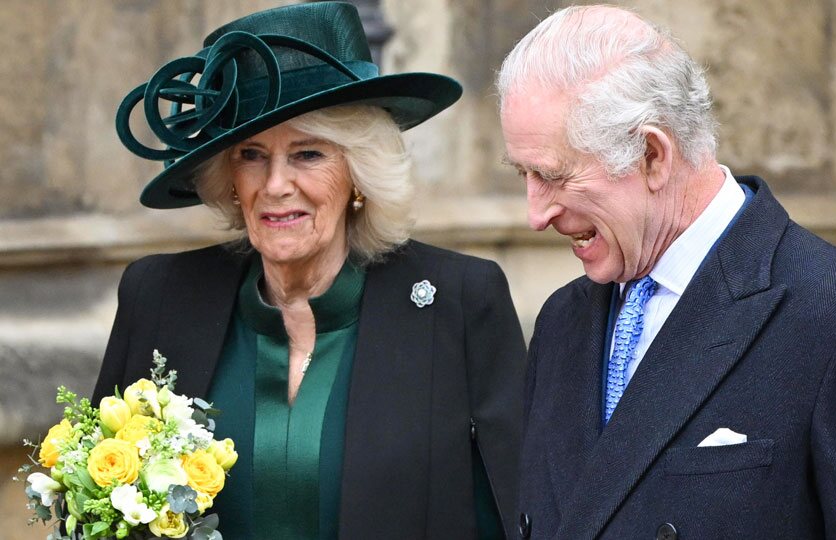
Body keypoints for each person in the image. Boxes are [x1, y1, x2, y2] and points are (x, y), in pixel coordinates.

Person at [497, 5, 836, 539]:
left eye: (553, 176)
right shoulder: (562, 320)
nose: (535, 214)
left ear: (652, 155)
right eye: (523, 174)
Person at [93, 3, 525, 539]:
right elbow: (94, 515)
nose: (275, 185)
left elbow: (513, 513)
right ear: (228, 176)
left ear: (358, 173)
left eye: (308, 154)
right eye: (252, 155)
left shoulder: (460, 301)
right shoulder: (159, 296)